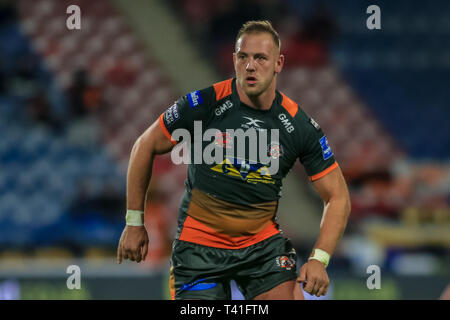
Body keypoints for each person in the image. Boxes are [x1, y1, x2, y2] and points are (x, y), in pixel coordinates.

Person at [117, 20, 351, 300]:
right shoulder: (204, 104)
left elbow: (338, 196)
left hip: (261, 249)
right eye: (244, 57)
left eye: (261, 58)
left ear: (279, 63)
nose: (251, 66)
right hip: (199, 249)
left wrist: (319, 259)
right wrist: (134, 222)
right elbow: (144, 145)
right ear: (234, 60)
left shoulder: (299, 126)